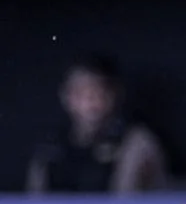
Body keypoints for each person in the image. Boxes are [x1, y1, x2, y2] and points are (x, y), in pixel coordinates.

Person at [27, 55, 167, 194]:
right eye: (80, 92)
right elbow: (34, 202)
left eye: (98, 91)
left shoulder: (137, 143)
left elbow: (127, 202)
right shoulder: (50, 146)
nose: (89, 101)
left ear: (114, 94)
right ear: (65, 96)